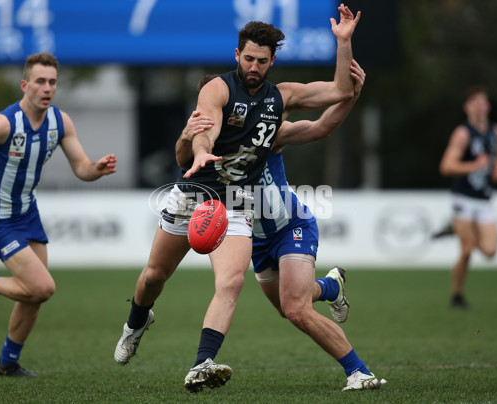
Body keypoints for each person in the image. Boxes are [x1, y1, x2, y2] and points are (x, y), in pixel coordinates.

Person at [113, 4, 361, 393]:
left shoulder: (282, 97)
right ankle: (137, 322)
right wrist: (200, 149)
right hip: (193, 193)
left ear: (272, 60)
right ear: (236, 55)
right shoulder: (218, 87)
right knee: (154, 276)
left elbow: (340, 92)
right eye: (248, 58)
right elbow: (204, 127)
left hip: (235, 202)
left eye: (262, 60)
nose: (254, 66)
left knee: (230, 283)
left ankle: (202, 363)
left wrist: (343, 43)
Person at [180, 59, 385, 391]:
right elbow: (181, 159)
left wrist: (351, 96)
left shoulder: (264, 134)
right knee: (289, 306)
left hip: (291, 227)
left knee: (296, 308)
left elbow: (320, 128)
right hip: (255, 240)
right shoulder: (203, 144)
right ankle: (331, 287)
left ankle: (359, 373)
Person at [0, 52, 117, 377]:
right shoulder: (3, 124)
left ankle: (7, 363)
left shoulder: (60, 122)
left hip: (27, 212)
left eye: (52, 82)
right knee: (42, 288)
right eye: (40, 81)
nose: (47, 87)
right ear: (25, 85)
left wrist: (96, 169)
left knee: (34, 297)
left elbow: (81, 167)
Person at [439, 85, 497, 309]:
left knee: (490, 251)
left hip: (484, 199)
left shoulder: (496, 132)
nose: (478, 107)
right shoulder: (463, 133)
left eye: (482, 102)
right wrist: (474, 166)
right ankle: (457, 296)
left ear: (488, 106)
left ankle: (457, 228)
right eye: (474, 103)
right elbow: (447, 166)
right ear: (467, 107)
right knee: (466, 251)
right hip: (463, 198)